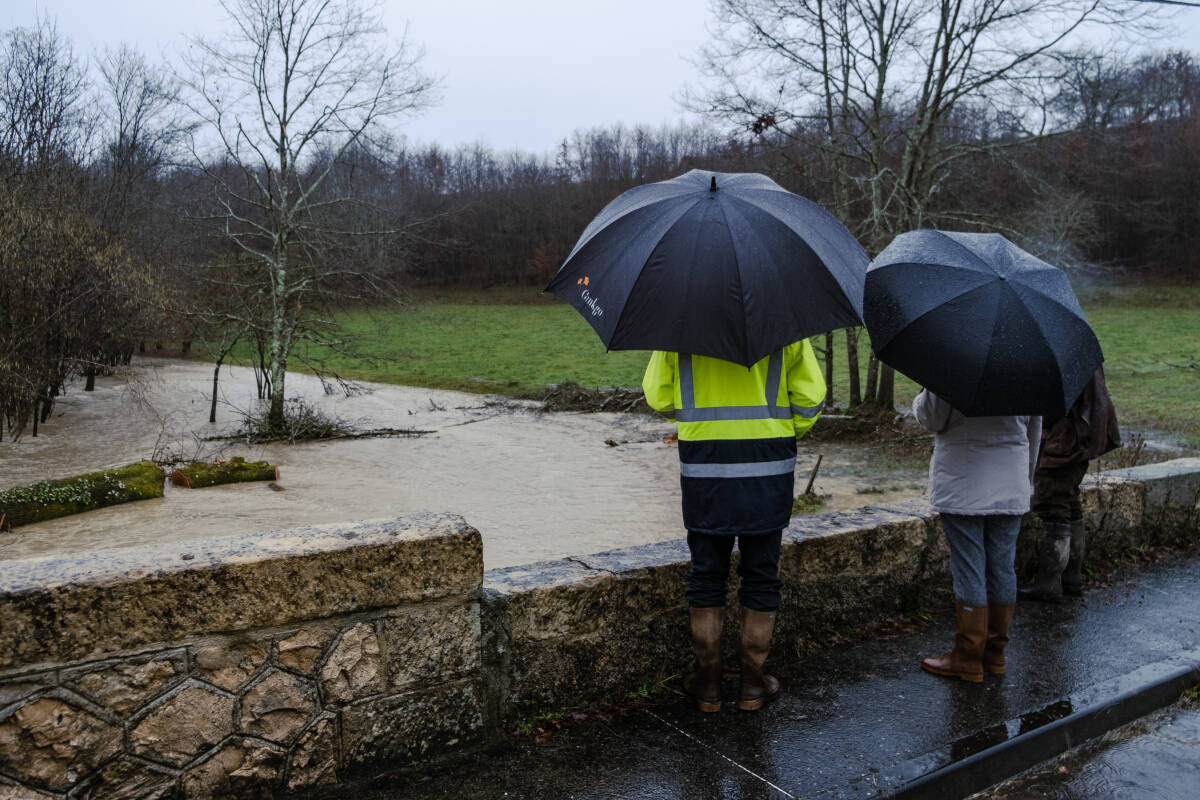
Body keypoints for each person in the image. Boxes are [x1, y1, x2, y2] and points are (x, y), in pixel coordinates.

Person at [642, 341, 825, 712]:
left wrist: (699, 421)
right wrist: (780, 429)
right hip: (768, 465)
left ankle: (708, 684)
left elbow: (658, 396)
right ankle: (753, 685)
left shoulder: (680, 327)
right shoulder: (784, 327)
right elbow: (809, 400)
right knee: (761, 575)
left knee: (706, 574)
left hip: (706, 465)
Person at [913, 389, 1041, 683]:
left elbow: (932, 419)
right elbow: (1033, 433)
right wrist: (1026, 481)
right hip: (1011, 482)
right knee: (1002, 566)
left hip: (964, 482)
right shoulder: (1027, 368)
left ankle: (968, 656)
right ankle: (995, 654)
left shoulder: (954, 362)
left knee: (969, 565)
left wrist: (922, 396)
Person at [1019, 366, 1121, 603]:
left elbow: (1054, 404)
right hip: (1082, 436)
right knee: (1068, 503)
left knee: (1053, 506)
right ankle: (1071, 579)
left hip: (1068, 439)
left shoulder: (1058, 359)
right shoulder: (1075, 351)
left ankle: (1048, 583)